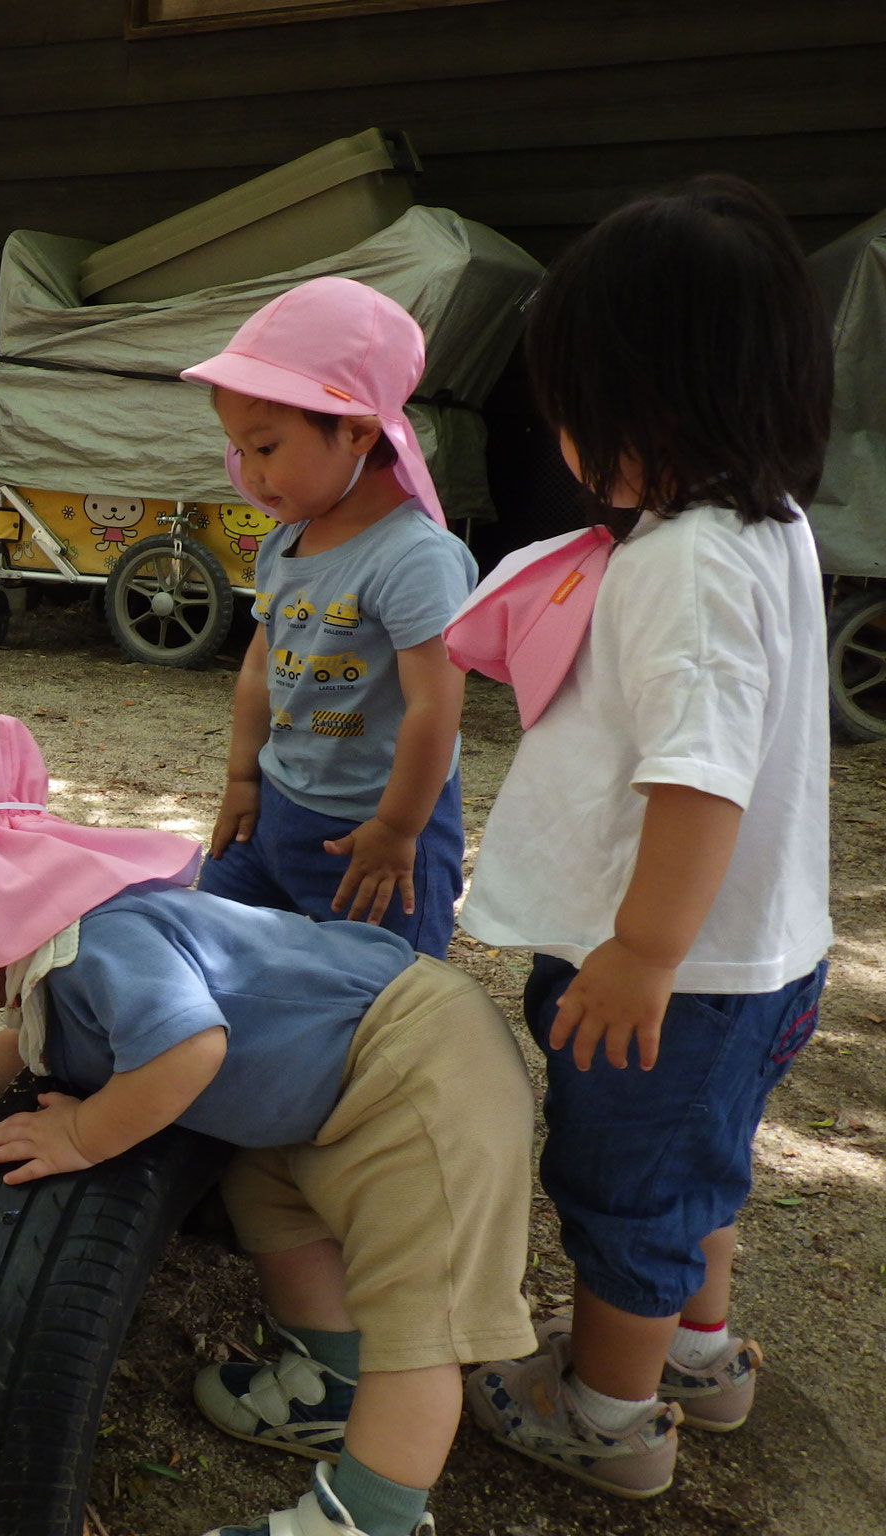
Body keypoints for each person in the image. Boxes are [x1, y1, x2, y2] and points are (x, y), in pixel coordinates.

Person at [0, 712, 535, 1536]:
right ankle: (333, 1389)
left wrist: (82, 1135)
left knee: (421, 1318)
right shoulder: (49, 956)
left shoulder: (99, 940)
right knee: (271, 1204)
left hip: (417, 1063)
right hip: (329, 1093)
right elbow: (28, 1036)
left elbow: (190, 1047)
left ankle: (368, 1518)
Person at [456, 176, 833, 1498]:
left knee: (626, 1191)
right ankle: (698, 1354)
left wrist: (637, 950)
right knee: (698, 1173)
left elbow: (699, 780)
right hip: (760, 963)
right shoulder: (768, 522)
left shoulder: (688, 564)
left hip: (681, 977)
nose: (562, 434)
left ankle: (605, 1413)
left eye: (577, 405)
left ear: (654, 403)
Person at [181, 278, 474, 957]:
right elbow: (260, 664)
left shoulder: (414, 558)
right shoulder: (286, 538)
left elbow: (436, 705)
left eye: (266, 446)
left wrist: (399, 831)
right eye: (240, 449)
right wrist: (241, 780)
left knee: (380, 998)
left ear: (357, 430)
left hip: (372, 839)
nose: (249, 474)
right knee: (206, 956)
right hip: (276, 814)